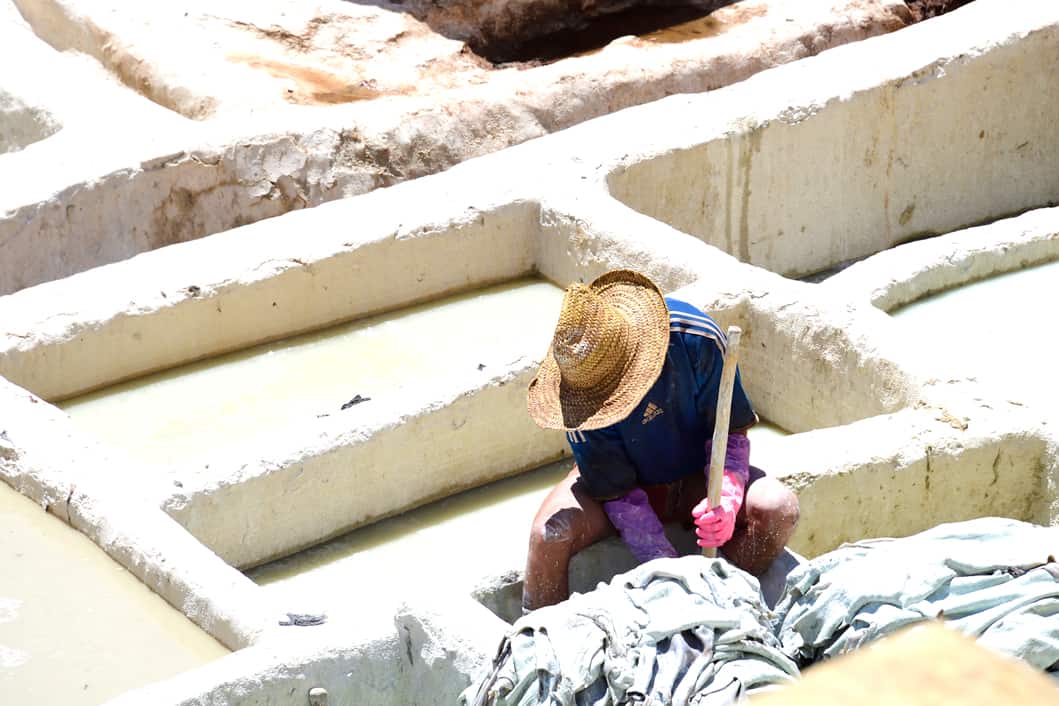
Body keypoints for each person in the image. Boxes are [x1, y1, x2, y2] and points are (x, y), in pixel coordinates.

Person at [523, 269, 800, 611]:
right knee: (548, 536)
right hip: (620, 494)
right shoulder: (577, 391)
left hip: (699, 475)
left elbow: (730, 430)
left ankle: (728, 597)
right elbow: (618, 496)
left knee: (778, 508)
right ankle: (543, 644)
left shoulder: (694, 338)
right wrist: (669, 572)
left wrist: (727, 493)